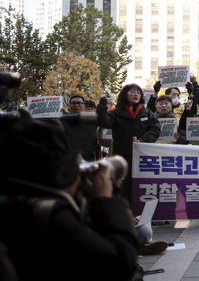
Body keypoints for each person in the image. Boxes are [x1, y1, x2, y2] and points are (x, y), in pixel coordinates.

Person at [0, 116, 139, 280]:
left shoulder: (12, 200)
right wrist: (105, 200)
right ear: (61, 175)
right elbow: (121, 264)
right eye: (75, 165)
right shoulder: (46, 214)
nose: (81, 173)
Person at [97, 83, 160, 201]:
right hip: (122, 157)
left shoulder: (146, 112)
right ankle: (125, 214)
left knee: (142, 186)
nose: (135, 94)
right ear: (125, 95)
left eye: (138, 92)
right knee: (123, 188)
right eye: (132, 92)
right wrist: (102, 105)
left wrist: (143, 140)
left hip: (142, 157)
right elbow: (103, 122)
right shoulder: (116, 113)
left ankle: (141, 215)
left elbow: (156, 128)